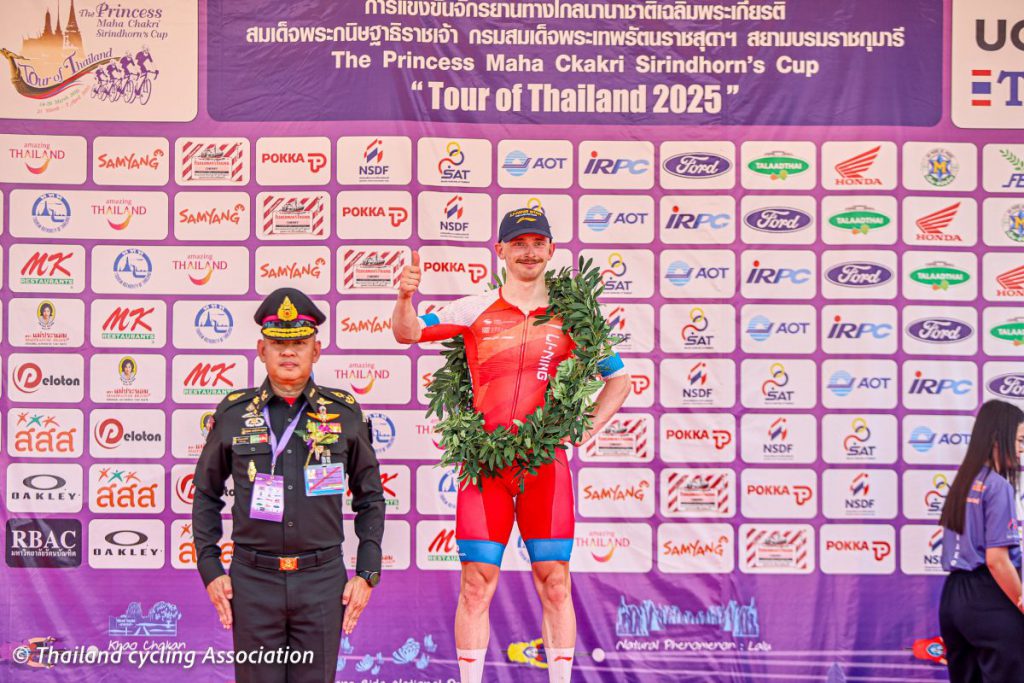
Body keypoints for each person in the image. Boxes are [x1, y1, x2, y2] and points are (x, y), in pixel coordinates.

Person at [391, 208, 631, 683]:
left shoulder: (576, 317)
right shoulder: (474, 308)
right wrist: (404, 297)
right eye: (518, 243)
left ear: (551, 249)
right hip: (486, 469)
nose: (529, 252)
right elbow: (408, 332)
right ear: (500, 250)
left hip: (545, 467)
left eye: (537, 242)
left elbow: (619, 380)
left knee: (555, 582)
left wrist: (586, 427)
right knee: (475, 584)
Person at [192, 287, 385, 683]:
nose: (289, 352)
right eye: (279, 344)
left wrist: (367, 572)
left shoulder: (344, 413)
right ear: (262, 350)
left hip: (321, 581)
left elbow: (370, 497)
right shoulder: (233, 414)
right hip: (253, 581)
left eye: (299, 343)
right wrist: (210, 568)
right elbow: (206, 494)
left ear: (317, 350)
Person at [938, 399, 1024, 682]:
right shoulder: (998, 486)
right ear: (998, 438)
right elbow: (997, 561)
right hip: (989, 596)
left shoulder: (963, 481)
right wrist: (1022, 602)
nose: (1022, 449)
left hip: (952, 599)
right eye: (1020, 440)